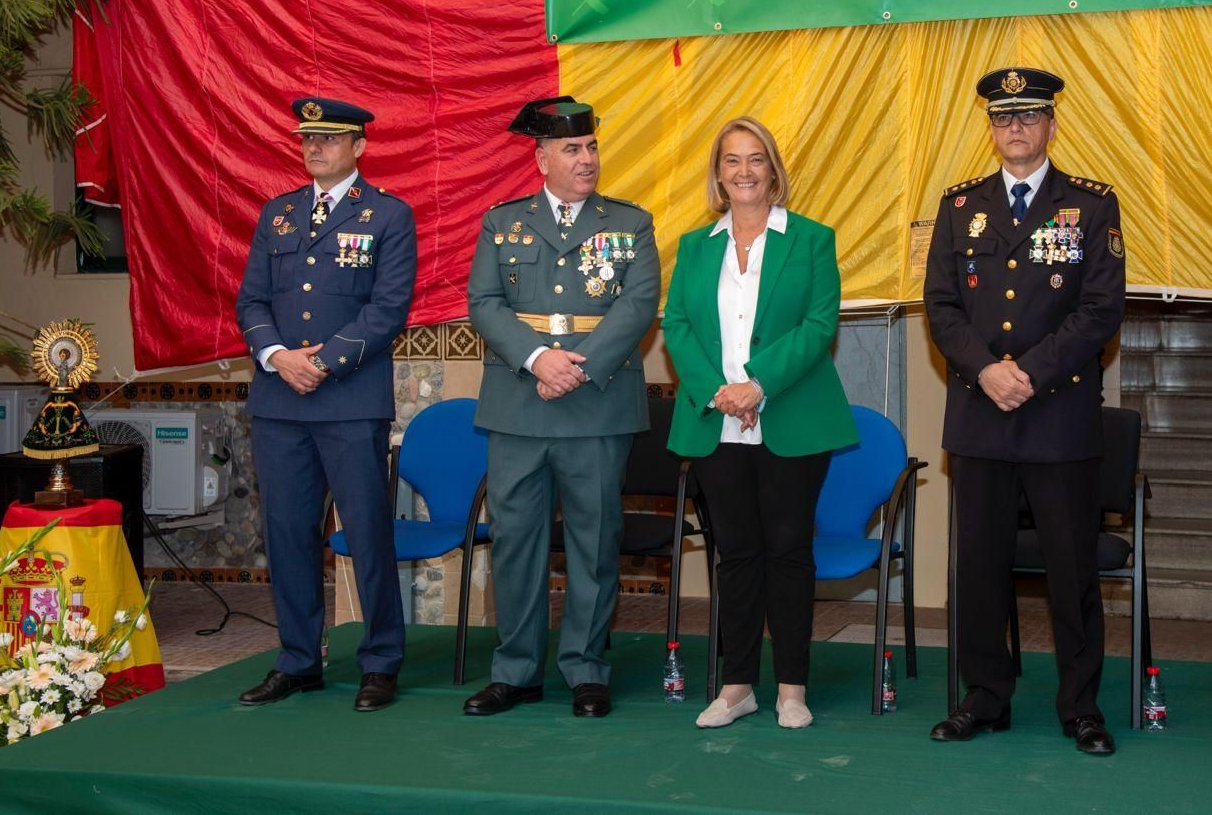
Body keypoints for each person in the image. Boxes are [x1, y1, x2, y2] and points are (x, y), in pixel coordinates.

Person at [923, 67, 1126, 755]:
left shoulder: (1091, 205)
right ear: (991, 128)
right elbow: (941, 307)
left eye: (1029, 115)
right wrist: (986, 369)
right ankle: (984, 697)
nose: (1015, 127)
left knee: (1071, 571)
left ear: (1051, 125)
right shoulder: (960, 206)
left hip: (1058, 417)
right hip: (980, 413)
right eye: (1003, 117)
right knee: (979, 567)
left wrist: (1030, 373)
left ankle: (1081, 707)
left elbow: (1100, 309)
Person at [464, 95, 659, 719]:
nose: (587, 159)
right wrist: (537, 360)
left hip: (595, 404)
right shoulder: (502, 223)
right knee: (515, 543)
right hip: (518, 405)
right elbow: (483, 302)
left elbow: (638, 305)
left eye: (592, 146)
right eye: (572, 149)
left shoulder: (630, 223)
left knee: (594, 543)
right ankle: (516, 671)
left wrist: (575, 368)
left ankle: (586, 669)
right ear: (542, 157)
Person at [662, 117, 858, 730]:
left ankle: (792, 689)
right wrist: (720, 394)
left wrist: (757, 384)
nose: (744, 171)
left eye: (756, 159)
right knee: (737, 555)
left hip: (791, 418)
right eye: (732, 160)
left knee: (789, 552)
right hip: (715, 422)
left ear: (773, 170)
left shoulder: (812, 239)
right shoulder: (695, 246)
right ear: (718, 174)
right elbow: (677, 326)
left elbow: (819, 325)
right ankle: (738, 685)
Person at [235, 96, 416, 712]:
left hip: (350, 400)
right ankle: (298, 660)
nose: (315, 147)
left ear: (359, 146)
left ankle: (381, 661)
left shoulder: (388, 215)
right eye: (308, 138)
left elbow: (388, 309)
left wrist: (322, 362)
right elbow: (251, 301)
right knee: (287, 534)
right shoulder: (278, 214)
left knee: (367, 533)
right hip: (279, 403)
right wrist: (278, 356)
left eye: (330, 138)